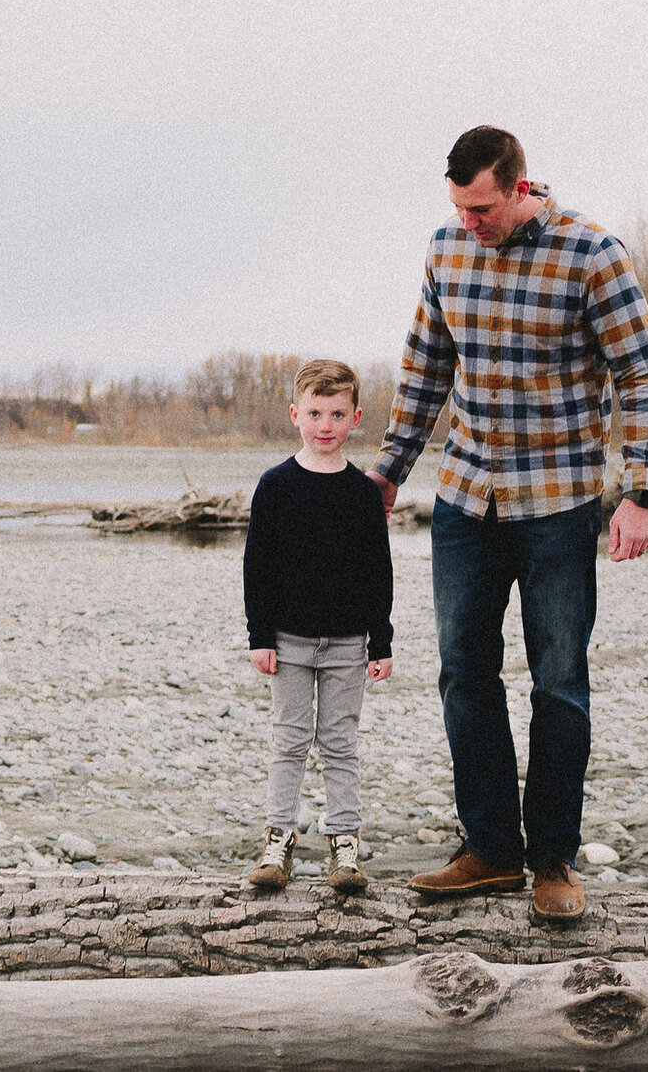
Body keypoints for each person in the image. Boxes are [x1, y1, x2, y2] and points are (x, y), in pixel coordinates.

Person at [366, 126, 648, 924]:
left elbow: (639, 372)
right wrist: (389, 470)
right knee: (465, 670)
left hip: (559, 501)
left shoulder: (592, 252)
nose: (473, 221)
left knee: (559, 679)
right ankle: (491, 848)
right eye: (461, 207)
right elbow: (427, 368)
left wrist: (639, 490)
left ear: (521, 185)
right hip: (467, 497)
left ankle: (554, 858)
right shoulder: (444, 252)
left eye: (485, 206)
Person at [241, 358, 395, 894]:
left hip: (349, 643)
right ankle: (277, 842)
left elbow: (379, 570)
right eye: (314, 413)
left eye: (336, 413)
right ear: (294, 415)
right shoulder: (276, 485)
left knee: (339, 742)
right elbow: (257, 565)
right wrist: (259, 636)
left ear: (355, 418)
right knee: (288, 739)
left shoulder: (361, 492)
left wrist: (382, 640)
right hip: (289, 640)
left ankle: (344, 848)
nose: (324, 425)